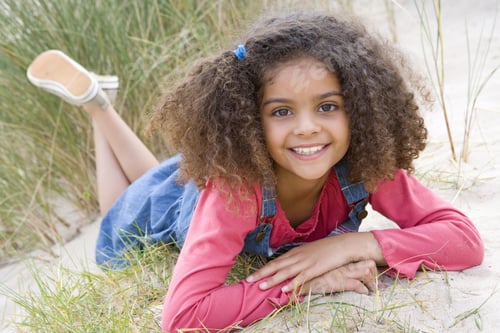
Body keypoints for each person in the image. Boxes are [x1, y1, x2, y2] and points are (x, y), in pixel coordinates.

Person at [27, 11, 484, 333]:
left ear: (360, 109)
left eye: (328, 106)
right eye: (281, 111)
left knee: (159, 179)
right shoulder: (236, 192)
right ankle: (97, 108)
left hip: (187, 185)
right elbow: (183, 316)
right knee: (122, 208)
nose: (308, 128)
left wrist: (352, 244)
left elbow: (465, 240)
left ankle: (98, 102)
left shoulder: (363, 164)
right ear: (249, 118)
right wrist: (305, 284)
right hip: (179, 207)